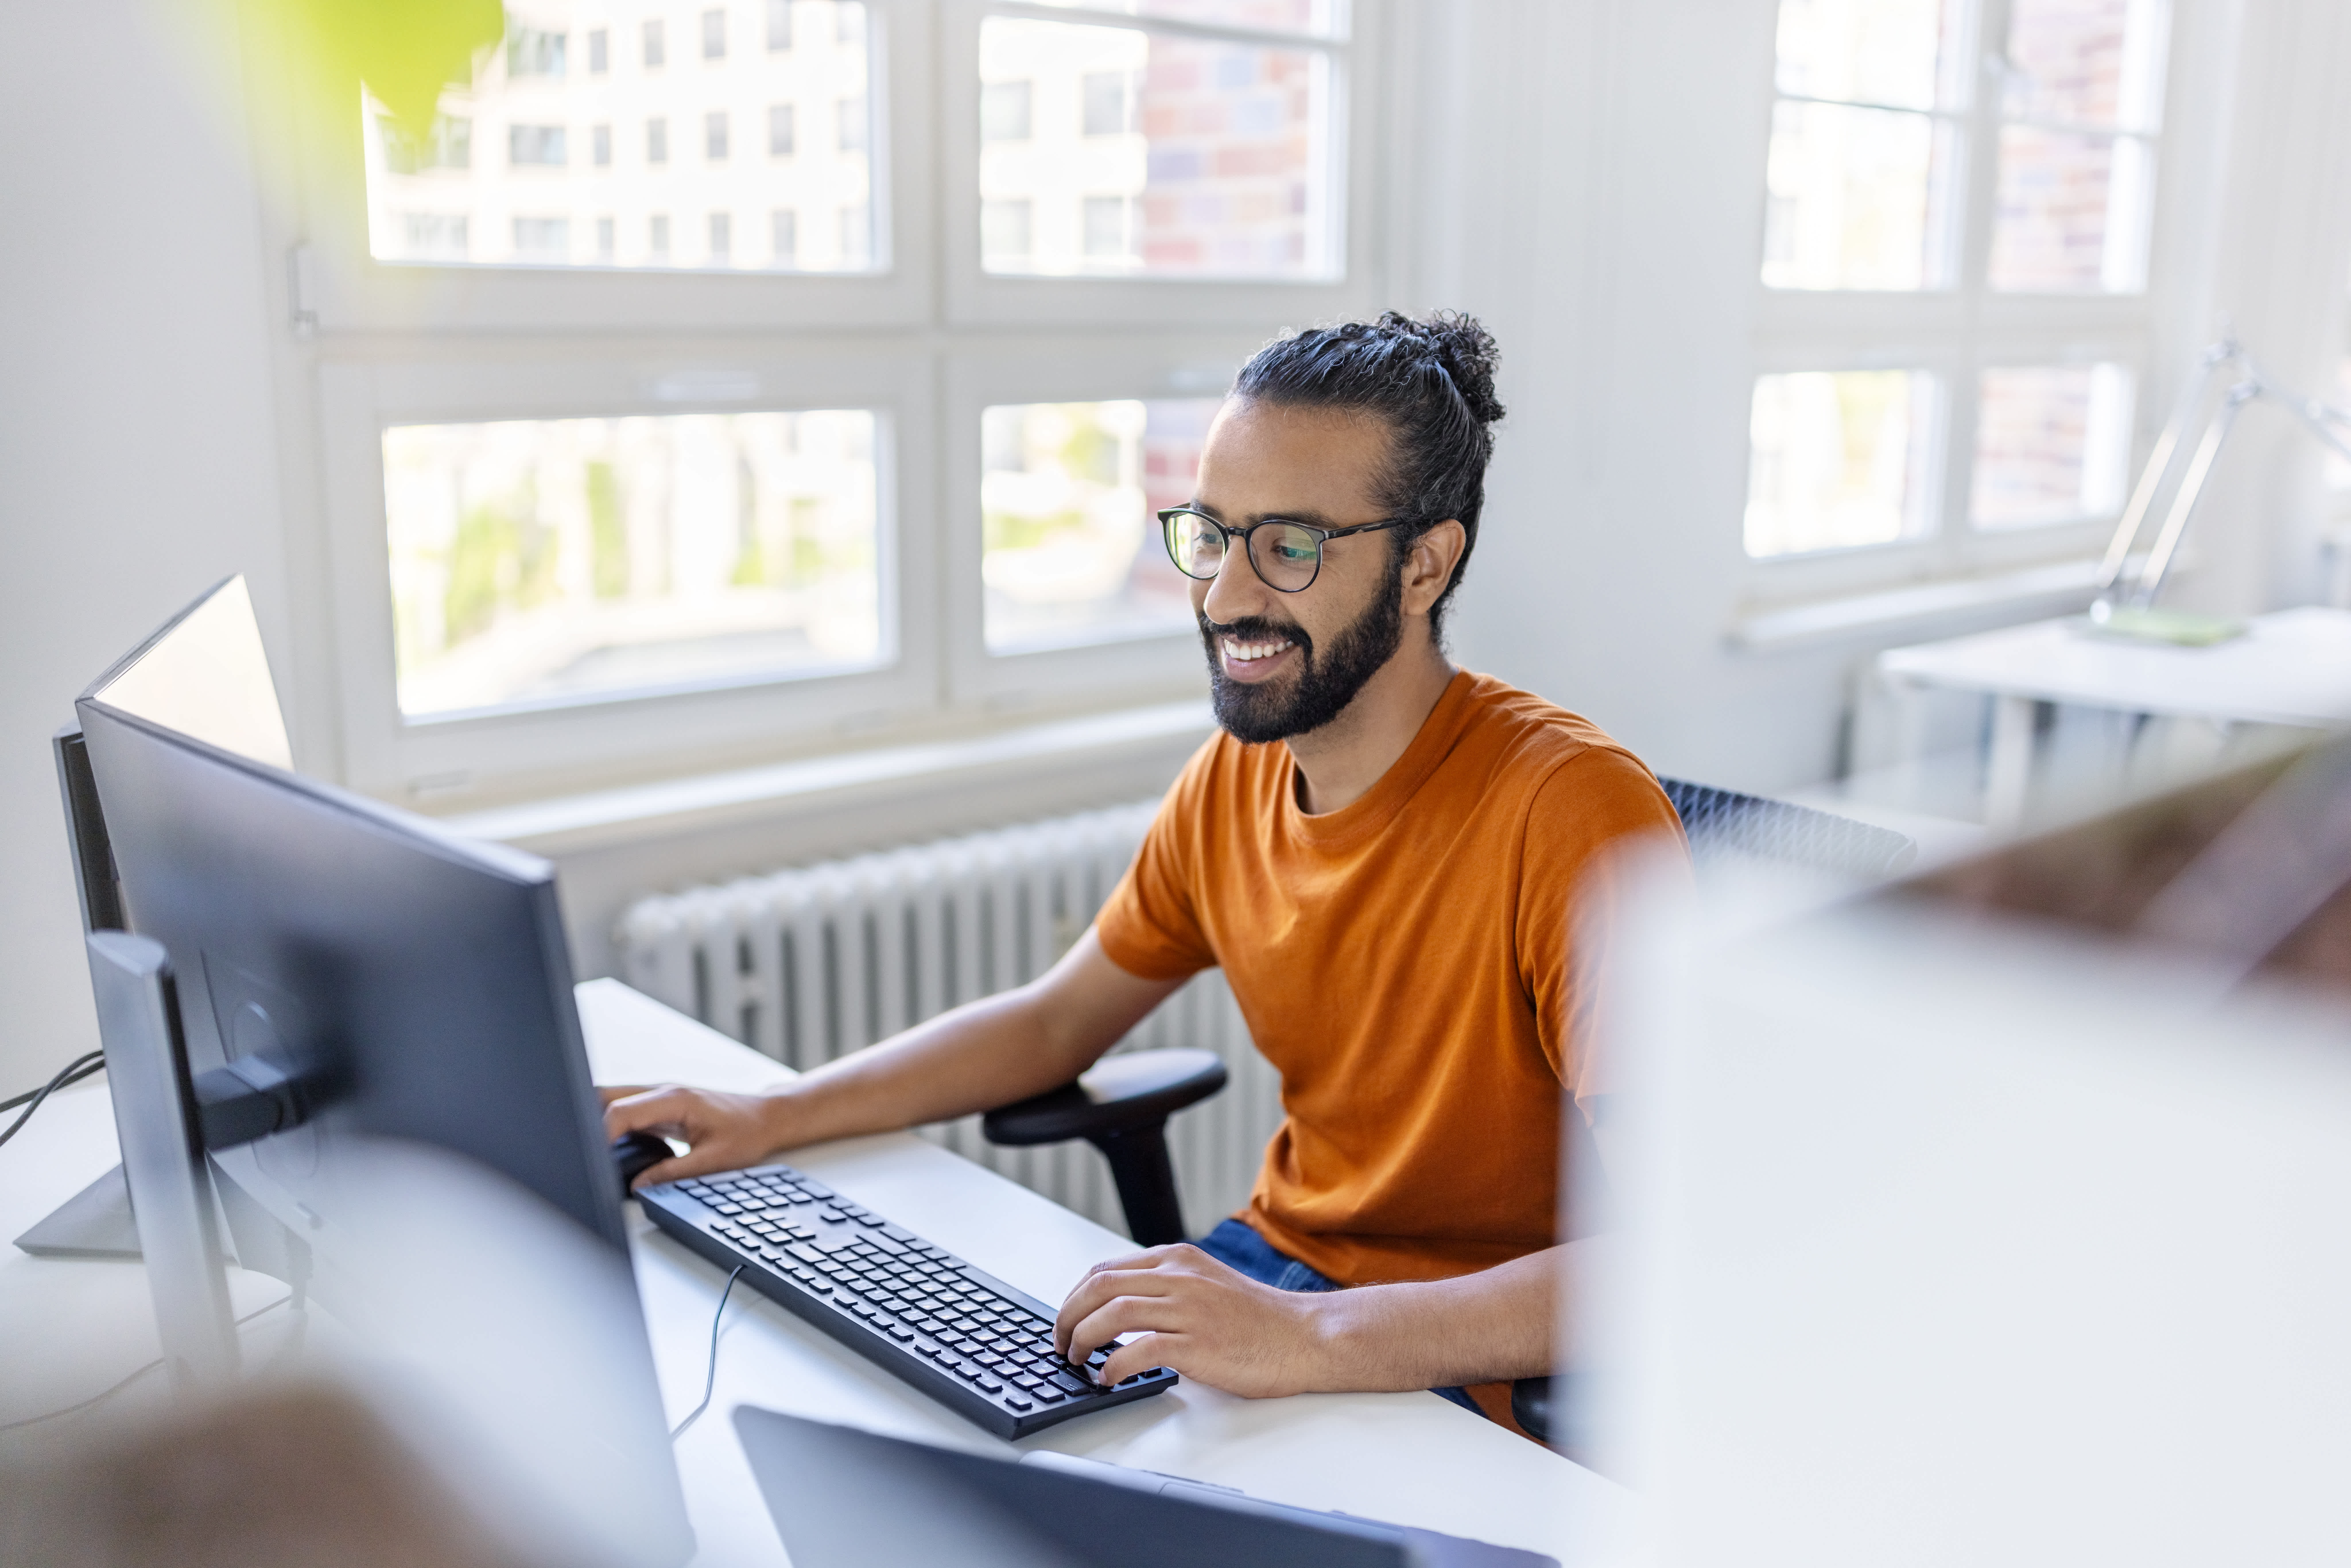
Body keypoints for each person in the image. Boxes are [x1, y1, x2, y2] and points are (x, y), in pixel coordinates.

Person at [603, 310, 1686, 1433]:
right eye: (1211, 533)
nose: (1222, 594)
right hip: (1276, 1274)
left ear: (1423, 564)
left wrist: (1309, 1337)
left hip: (1467, 1351)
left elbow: (1684, 1249)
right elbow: (1053, 1022)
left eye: (1290, 546)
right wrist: (772, 1112)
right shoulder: (1233, 778)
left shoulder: (1573, 816)